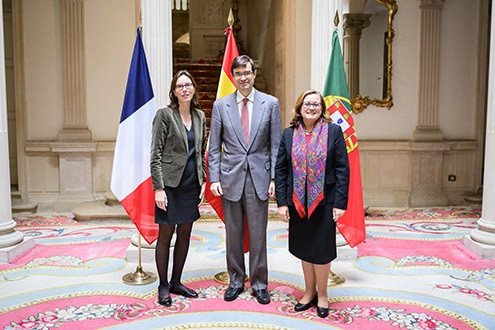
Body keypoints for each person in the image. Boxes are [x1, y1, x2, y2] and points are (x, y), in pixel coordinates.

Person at [208, 55, 282, 304]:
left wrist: (273, 178)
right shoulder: (221, 106)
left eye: (247, 72)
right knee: (233, 234)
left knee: (259, 235)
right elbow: (214, 146)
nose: (243, 77)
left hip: (259, 178)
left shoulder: (270, 104)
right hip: (230, 179)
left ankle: (260, 284)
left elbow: (275, 145)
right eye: (238, 73)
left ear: (254, 74)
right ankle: (236, 280)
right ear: (233, 76)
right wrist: (214, 178)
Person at [275, 89, 349, 318]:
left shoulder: (333, 132)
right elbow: (281, 170)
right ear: (299, 107)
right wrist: (282, 203)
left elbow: (342, 169)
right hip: (297, 204)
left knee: (323, 251)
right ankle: (308, 292)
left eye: (316, 104)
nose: (311, 108)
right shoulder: (288, 134)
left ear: (322, 109)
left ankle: (323, 295)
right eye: (307, 103)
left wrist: (340, 203)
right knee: (305, 249)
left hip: (325, 202)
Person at [150, 70, 207, 306]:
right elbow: (156, 154)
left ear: (194, 88)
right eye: (179, 86)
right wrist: (158, 188)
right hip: (170, 186)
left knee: (185, 234)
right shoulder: (164, 115)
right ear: (174, 91)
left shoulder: (200, 116)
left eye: (188, 85)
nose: (184, 89)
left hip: (191, 185)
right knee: (166, 235)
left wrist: (203, 181)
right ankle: (163, 284)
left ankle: (176, 281)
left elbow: (201, 152)